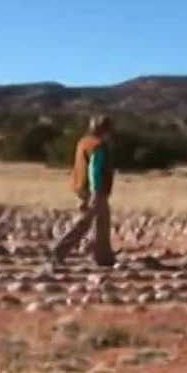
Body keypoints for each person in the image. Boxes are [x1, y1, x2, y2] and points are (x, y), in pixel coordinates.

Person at [52, 114, 116, 266]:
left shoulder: (84, 142)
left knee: (103, 221)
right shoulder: (98, 145)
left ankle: (103, 257)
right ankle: (59, 250)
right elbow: (95, 169)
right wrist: (95, 192)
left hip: (83, 187)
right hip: (95, 190)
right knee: (85, 222)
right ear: (105, 129)